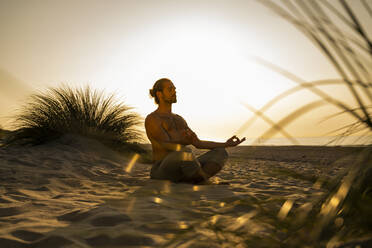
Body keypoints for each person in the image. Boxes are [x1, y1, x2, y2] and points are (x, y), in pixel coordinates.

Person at [145, 78, 245, 183]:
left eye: (174, 89)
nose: (174, 92)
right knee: (185, 151)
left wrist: (226, 144)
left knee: (221, 152)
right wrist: (183, 141)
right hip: (162, 170)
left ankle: (193, 179)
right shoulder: (153, 119)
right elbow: (164, 144)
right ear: (159, 94)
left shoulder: (179, 119)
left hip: (184, 166)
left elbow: (198, 143)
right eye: (170, 89)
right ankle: (200, 179)